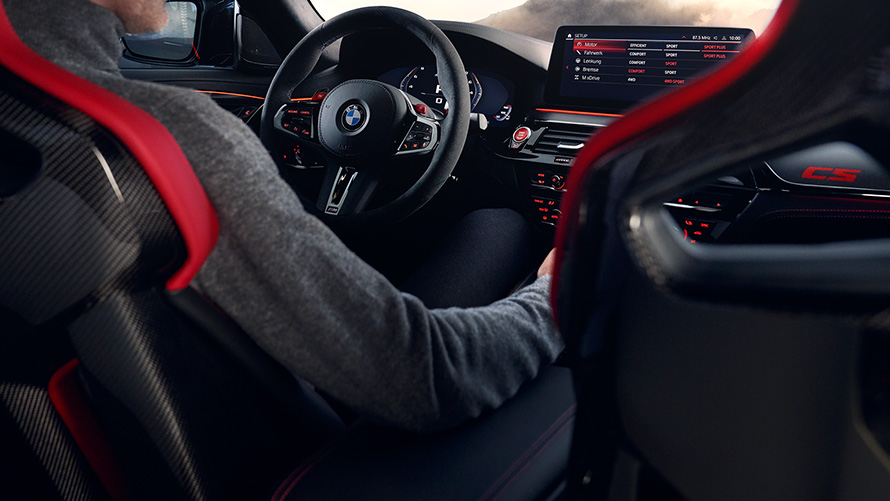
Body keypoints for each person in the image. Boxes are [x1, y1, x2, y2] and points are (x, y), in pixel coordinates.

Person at [5, 0, 563, 432]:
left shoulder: (28, 120)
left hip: (124, 443)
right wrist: (554, 299)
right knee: (499, 224)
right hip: (305, 456)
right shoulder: (173, 134)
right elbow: (423, 379)